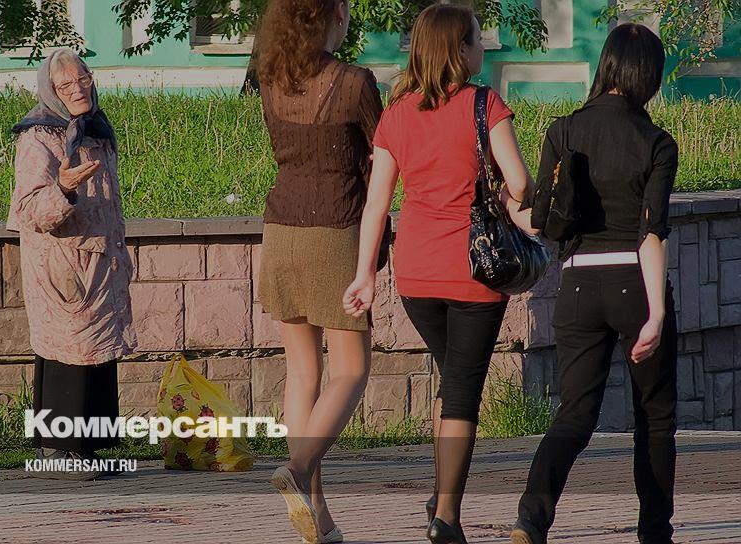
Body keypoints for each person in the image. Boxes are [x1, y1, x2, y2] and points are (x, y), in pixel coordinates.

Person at [343, 4, 536, 543]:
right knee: (463, 392)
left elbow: (376, 204)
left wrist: (365, 275)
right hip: (473, 271)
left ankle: (439, 492)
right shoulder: (484, 103)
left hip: (416, 274)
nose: (483, 46)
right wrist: (506, 193)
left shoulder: (397, 113)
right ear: (458, 49)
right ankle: (447, 518)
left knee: (450, 379)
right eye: (477, 38)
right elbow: (520, 183)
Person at [510, 24, 679, 544]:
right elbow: (651, 231)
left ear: (606, 65)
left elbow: (540, 221)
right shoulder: (657, 143)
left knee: (575, 413)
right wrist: (655, 315)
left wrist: (508, 207)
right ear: (648, 76)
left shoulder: (563, 131)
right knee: (654, 417)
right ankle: (655, 532)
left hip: (579, 283)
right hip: (635, 281)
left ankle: (531, 518)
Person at [254, 0, 384, 542]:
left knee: (303, 373)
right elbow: (382, 161)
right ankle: (298, 469)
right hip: (334, 231)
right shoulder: (355, 82)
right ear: (334, 15)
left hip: (281, 230)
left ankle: (317, 513)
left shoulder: (271, 78)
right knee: (351, 371)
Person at [7, 48, 137, 480]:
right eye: (65, 85)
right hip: (64, 265)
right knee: (68, 354)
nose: (78, 90)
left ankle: (88, 448)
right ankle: (59, 451)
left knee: (97, 355)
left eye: (83, 80)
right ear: (51, 91)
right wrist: (61, 187)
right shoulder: (38, 137)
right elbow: (30, 211)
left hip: (99, 261)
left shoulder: (95, 130)